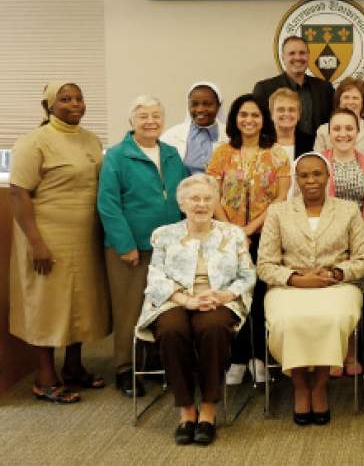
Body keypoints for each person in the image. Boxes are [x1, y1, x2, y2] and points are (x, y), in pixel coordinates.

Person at [9, 82, 111, 404]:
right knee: (49, 305)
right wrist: (35, 243)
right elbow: (18, 193)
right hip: (46, 236)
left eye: (79, 98)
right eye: (65, 99)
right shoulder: (33, 142)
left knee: (80, 303)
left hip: (84, 237)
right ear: (50, 106)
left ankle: (73, 367)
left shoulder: (91, 139)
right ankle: (44, 377)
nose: (75, 104)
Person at [136, 173, 255, 446]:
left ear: (216, 202)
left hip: (219, 299)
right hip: (174, 299)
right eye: (194, 199)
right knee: (171, 329)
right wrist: (186, 300)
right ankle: (186, 409)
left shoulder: (233, 234)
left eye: (207, 198)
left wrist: (225, 294)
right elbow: (155, 278)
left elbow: (247, 275)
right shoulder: (164, 235)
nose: (201, 204)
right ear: (182, 204)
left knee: (212, 328)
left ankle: (209, 409)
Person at [258, 152, 364, 426]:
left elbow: (363, 260)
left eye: (317, 174)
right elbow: (264, 264)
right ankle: (300, 386)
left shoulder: (348, 210)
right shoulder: (278, 212)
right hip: (289, 286)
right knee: (287, 321)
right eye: (304, 175)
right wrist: (297, 279)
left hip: (337, 286)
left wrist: (335, 273)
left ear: (327, 177)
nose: (311, 180)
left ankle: (320, 386)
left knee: (332, 319)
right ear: (296, 180)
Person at [98, 95, 189, 396]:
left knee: (162, 306)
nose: (150, 121)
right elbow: (108, 204)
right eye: (142, 116)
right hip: (131, 248)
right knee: (130, 308)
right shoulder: (116, 156)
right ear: (131, 122)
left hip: (169, 248)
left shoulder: (172, 154)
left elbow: (185, 194)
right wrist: (125, 245)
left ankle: (152, 363)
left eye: (155, 115)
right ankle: (125, 369)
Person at [207, 93, 291, 384]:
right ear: (234, 119)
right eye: (243, 114)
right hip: (225, 237)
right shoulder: (221, 153)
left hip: (265, 236)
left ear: (263, 119)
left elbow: (281, 198)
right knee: (233, 296)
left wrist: (250, 229)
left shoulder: (277, 153)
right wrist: (233, 231)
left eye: (255, 115)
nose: (249, 120)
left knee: (259, 300)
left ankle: (259, 358)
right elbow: (212, 194)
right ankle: (237, 359)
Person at [320, 108, 364, 375]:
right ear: (329, 133)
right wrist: (334, 234)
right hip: (324, 240)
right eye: (337, 129)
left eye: (349, 128)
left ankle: (352, 352)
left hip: (361, 240)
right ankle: (332, 352)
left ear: (358, 132)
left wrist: (355, 234)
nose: (343, 134)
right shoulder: (318, 162)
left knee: (356, 298)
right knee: (329, 298)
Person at [252, 35, 334, 136]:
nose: (298, 57)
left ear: (308, 56)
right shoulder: (264, 89)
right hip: (279, 150)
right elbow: (257, 125)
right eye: (292, 53)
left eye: (302, 53)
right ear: (283, 57)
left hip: (318, 150)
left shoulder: (325, 88)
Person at [313, 77, 364, 167]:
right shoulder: (323, 131)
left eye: (355, 98)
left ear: (363, 103)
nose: (350, 102)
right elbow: (317, 164)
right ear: (339, 101)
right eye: (346, 97)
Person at [160, 81, 227, 174]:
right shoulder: (172, 135)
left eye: (207, 104)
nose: (200, 109)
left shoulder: (230, 135)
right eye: (194, 104)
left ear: (219, 106)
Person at [269, 87, 314, 162]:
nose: (286, 114)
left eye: (291, 110)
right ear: (272, 114)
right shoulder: (261, 142)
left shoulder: (310, 143)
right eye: (281, 110)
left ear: (299, 115)